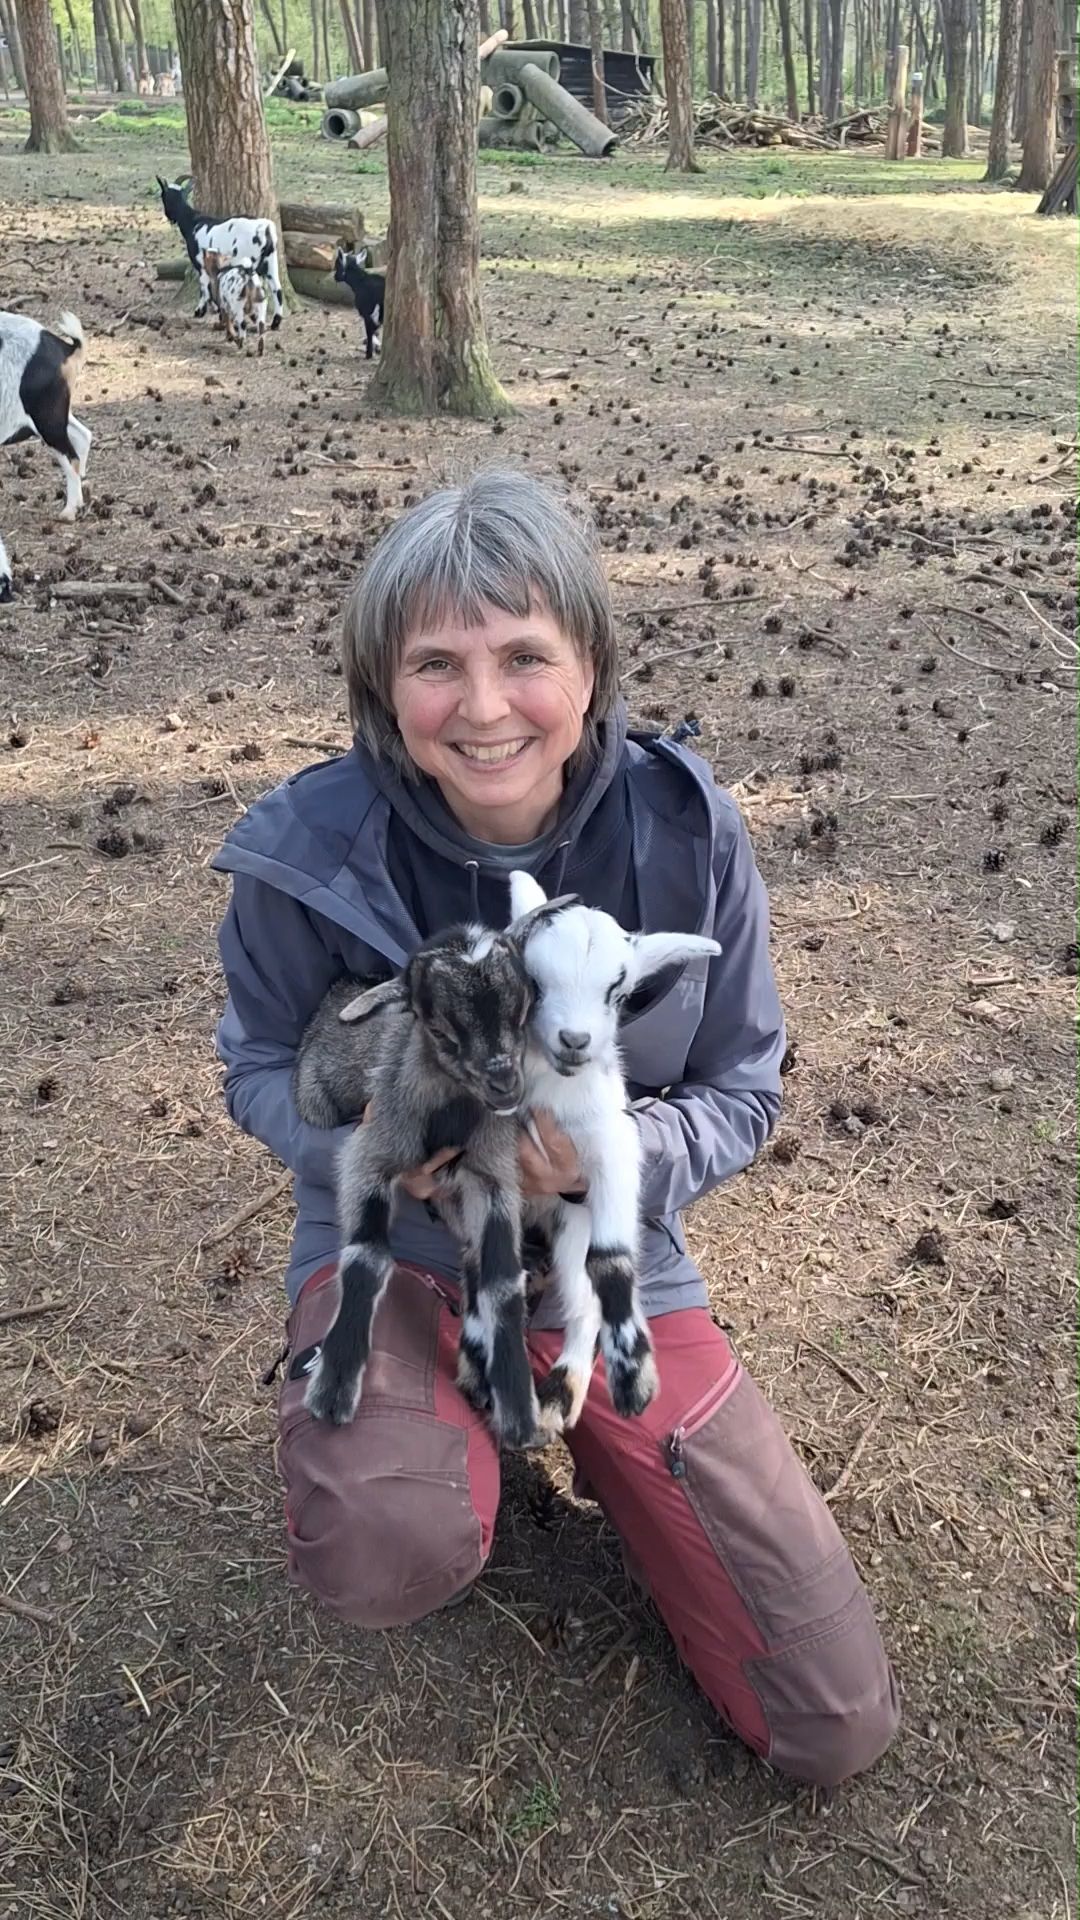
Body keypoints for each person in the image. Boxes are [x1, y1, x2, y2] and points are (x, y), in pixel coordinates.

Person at [212, 470, 899, 1788]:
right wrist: (362, 1154)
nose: (481, 707)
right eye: (434, 663)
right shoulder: (304, 852)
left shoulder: (687, 831)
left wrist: (613, 1161)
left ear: (590, 666)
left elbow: (747, 1084)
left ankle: (574, 1406)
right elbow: (254, 1063)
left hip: (606, 1254)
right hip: (401, 1245)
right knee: (384, 1543)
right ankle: (438, 1426)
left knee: (829, 1722)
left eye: (524, 654)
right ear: (379, 682)